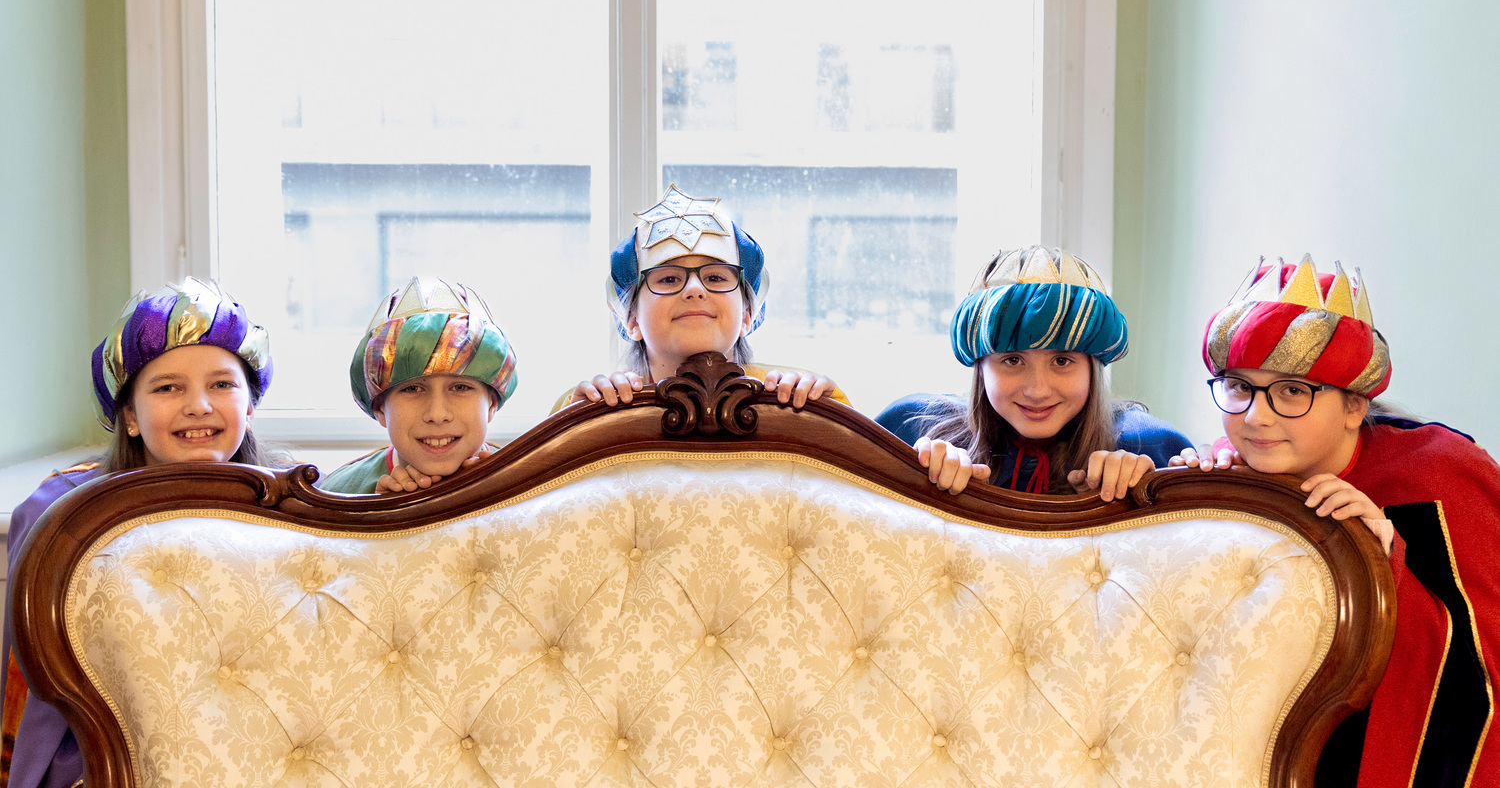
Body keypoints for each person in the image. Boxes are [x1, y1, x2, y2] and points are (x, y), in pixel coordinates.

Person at [1182, 254, 1500, 787]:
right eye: (1238, 386)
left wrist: (1378, 563)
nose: (1256, 416)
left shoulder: (1444, 476)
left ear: (1354, 406)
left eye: (1292, 390)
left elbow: (1485, 677)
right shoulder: (1229, 471)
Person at [1, 279, 275, 788]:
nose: (199, 405)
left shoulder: (294, 503)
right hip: (109, 756)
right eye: (168, 387)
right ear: (129, 415)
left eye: (222, 384)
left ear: (251, 405)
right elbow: (35, 697)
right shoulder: (58, 512)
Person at [877, 246, 1194, 496]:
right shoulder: (913, 428)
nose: (1038, 390)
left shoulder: (1148, 446)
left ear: (1092, 367)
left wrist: (1142, 490)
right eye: (1013, 360)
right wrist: (917, 471)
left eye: (1062, 361)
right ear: (980, 368)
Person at [558, 185, 846, 410]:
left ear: (747, 315)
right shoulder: (590, 404)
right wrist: (576, 422)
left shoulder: (796, 398)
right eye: (669, 279)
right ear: (631, 320)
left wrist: (825, 411)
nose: (694, 289)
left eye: (715, 278)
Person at [321, 277, 517, 494]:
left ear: (492, 403)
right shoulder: (337, 495)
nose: (437, 414)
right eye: (412, 389)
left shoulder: (525, 484)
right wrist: (378, 510)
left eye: (460, 387)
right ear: (380, 408)